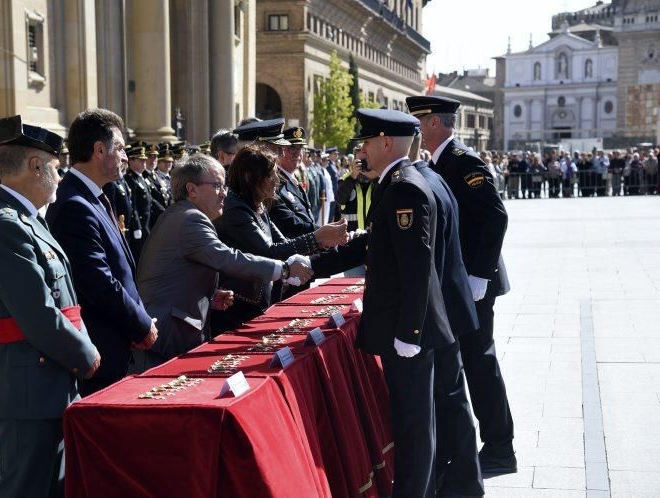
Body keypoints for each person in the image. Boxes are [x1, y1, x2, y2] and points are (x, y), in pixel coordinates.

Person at [0, 115, 100, 498]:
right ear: (35, 165)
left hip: (44, 376)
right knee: (26, 488)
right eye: (56, 168)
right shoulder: (5, 223)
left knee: (51, 485)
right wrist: (84, 352)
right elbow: (38, 312)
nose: (59, 178)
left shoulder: (25, 219)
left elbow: (65, 301)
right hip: (28, 380)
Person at [326, 109, 454, 497]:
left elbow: (417, 268)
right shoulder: (393, 182)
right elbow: (375, 245)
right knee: (413, 421)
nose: (361, 149)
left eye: (365, 142)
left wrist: (410, 333)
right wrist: (315, 263)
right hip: (403, 325)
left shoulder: (404, 188)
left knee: (413, 426)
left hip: (407, 330)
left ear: (385, 143)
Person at [408, 95, 515, 475]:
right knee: (467, 361)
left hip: (474, 282)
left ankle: (500, 447)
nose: (417, 130)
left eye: (420, 122)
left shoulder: (464, 161)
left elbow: (495, 217)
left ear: (435, 123)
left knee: (479, 362)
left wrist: (480, 276)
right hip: (461, 281)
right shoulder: (436, 163)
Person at [133, 153, 313, 372]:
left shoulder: (185, 215)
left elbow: (178, 274)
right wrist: (283, 270)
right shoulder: (190, 218)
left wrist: (211, 294)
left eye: (224, 186)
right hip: (167, 336)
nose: (224, 194)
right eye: (217, 186)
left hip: (175, 330)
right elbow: (228, 258)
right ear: (192, 190)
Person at [46, 109, 157, 396]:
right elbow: (97, 280)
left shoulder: (92, 197)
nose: (124, 156)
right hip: (99, 344)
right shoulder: (74, 204)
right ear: (98, 150)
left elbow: (120, 269)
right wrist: (140, 324)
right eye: (119, 147)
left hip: (116, 338)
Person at [410, 134, 484, 497]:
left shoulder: (417, 184)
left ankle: (462, 480)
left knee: (448, 397)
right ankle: (465, 477)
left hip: (440, 309)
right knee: (452, 395)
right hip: (450, 306)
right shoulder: (433, 176)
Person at [212, 145, 347, 333]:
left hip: (258, 301)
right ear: (250, 178)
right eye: (270, 175)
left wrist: (322, 242)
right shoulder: (236, 209)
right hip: (236, 307)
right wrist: (316, 237)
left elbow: (283, 244)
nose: (277, 180)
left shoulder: (256, 204)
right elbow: (269, 251)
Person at [123, 146, 152, 260]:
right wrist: (137, 226)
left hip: (147, 223)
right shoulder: (130, 179)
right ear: (131, 161)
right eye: (140, 160)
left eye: (145, 160)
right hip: (139, 223)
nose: (144, 162)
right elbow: (133, 205)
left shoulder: (141, 178)